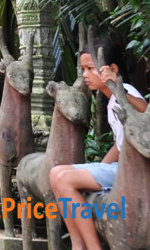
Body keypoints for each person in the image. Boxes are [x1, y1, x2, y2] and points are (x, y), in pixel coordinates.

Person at [49, 37, 147, 250]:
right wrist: (99, 167)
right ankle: (78, 244)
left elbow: (145, 110)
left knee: (63, 179)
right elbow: (120, 146)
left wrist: (118, 86)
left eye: (90, 68)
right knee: (56, 174)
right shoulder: (112, 99)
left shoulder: (125, 92)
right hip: (119, 169)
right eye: (83, 68)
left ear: (112, 69)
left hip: (133, 174)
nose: (85, 75)